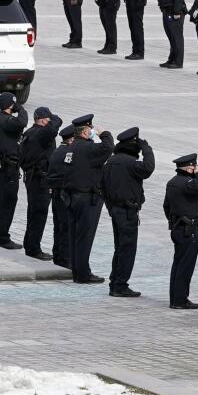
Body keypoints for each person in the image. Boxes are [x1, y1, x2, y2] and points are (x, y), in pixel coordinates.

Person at [102, 126, 156, 295]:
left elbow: (102, 186)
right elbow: (148, 168)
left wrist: (110, 208)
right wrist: (147, 149)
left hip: (116, 210)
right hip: (127, 211)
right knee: (127, 249)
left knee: (119, 248)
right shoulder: (130, 163)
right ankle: (120, 285)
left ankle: (115, 282)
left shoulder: (110, 161)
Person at [61, 114, 113, 284]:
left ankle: (77, 271)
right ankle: (83, 274)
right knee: (84, 237)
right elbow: (108, 148)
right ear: (84, 132)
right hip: (86, 198)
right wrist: (104, 133)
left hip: (71, 197)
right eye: (90, 130)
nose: (92, 132)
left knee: (74, 236)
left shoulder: (71, 147)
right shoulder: (87, 148)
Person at [164, 153, 198, 309]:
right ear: (190, 168)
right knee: (185, 266)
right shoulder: (189, 183)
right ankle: (180, 300)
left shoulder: (172, 182)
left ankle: (176, 298)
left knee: (178, 264)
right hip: (189, 230)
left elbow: (166, 206)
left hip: (178, 228)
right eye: (195, 167)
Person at [20, 105, 61, 258]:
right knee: (39, 213)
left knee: (33, 212)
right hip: (39, 179)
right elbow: (56, 123)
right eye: (48, 120)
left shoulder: (29, 133)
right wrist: (53, 120)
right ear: (43, 121)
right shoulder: (42, 133)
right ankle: (33, 249)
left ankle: (29, 244)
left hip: (32, 177)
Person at [0, 91, 24, 245]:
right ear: (10, 105)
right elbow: (22, 122)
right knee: (8, 201)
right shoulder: (7, 120)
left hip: (1, 165)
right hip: (7, 168)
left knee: (3, 202)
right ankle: (2, 237)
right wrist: (21, 109)